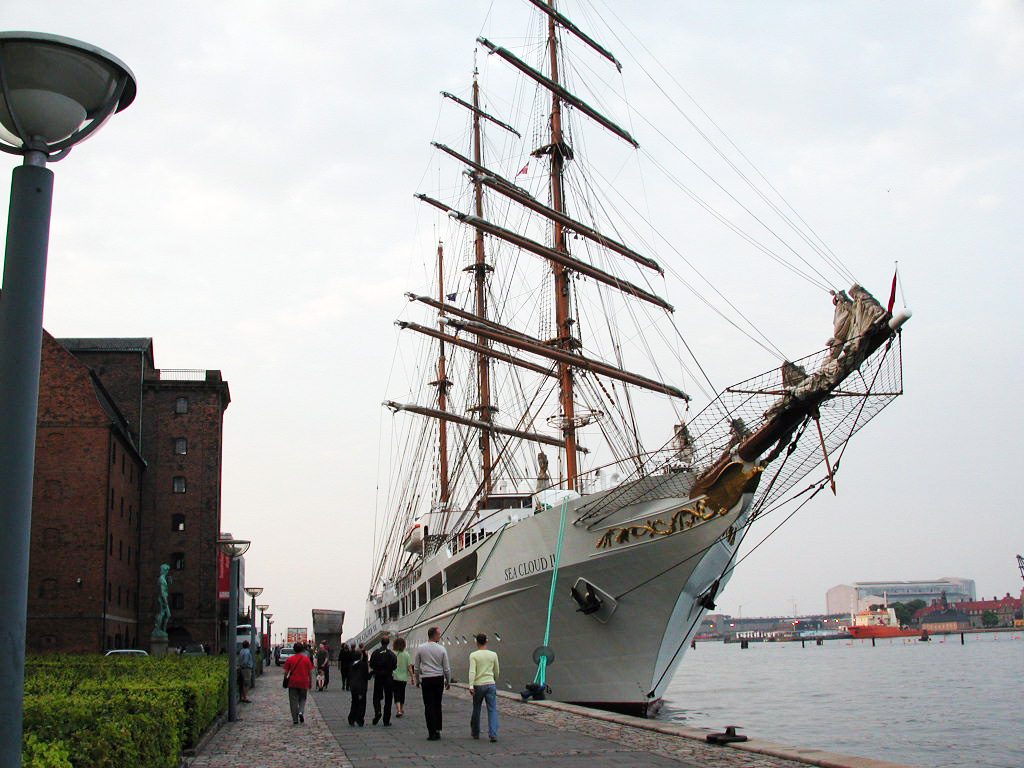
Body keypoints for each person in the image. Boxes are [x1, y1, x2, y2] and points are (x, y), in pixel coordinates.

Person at [413, 627, 450, 740]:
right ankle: (438, 729)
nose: (440, 636)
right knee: (437, 704)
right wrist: (448, 681)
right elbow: (446, 668)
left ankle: (431, 731)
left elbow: (416, 667)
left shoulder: (421, 648)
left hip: (427, 679)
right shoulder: (441, 649)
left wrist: (417, 679)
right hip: (438, 678)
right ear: (434, 635)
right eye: (439, 634)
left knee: (428, 705)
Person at [468, 633, 500, 742]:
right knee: (492, 709)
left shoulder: (473, 655)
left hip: (478, 685)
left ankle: (475, 732)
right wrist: (493, 680)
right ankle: (493, 734)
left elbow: (472, 671)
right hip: (490, 684)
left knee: (477, 708)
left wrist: (471, 685)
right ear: (486, 641)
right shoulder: (493, 654)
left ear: (476, 642)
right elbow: (497, 670)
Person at [283, 641, 314, 724]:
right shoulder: (306, 659)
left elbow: (286, 672)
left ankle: (295, 719)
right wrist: (310, 682)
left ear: (294, 650)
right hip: (304, 682)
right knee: (303, 698)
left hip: (293, 682)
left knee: (293, 701)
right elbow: (310, 673)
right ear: (302, 649)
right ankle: (301, 711)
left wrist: (285, 679)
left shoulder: (290, 659)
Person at [369, 636, 398, 726]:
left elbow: (371, 664)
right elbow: (394, 666)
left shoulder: (375, 653)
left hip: (378, 677)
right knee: (388, 699)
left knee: (376, 697)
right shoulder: (392, 654)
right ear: (388, 643)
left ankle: (378, 711)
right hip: (388, 678)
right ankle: (386, 720)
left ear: (381, 642)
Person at [347, 645, 369, 726]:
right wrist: (373, 672)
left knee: (354, 702)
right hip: (361, 687)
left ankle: (351, 718)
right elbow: (367, 676)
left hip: (353, 686)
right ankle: (359, 719)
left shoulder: (351, 665)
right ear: (360, 656)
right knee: (361, 703)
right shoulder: (363, 665)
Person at [392, 637, 412, 718]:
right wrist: (412, 677)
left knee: (396, 693)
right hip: (404, 678)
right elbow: (409, 667)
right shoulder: (407, 654)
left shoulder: (392, 653)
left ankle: (398, 710)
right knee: (402, 693)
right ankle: (401, 708)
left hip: (394, 677)